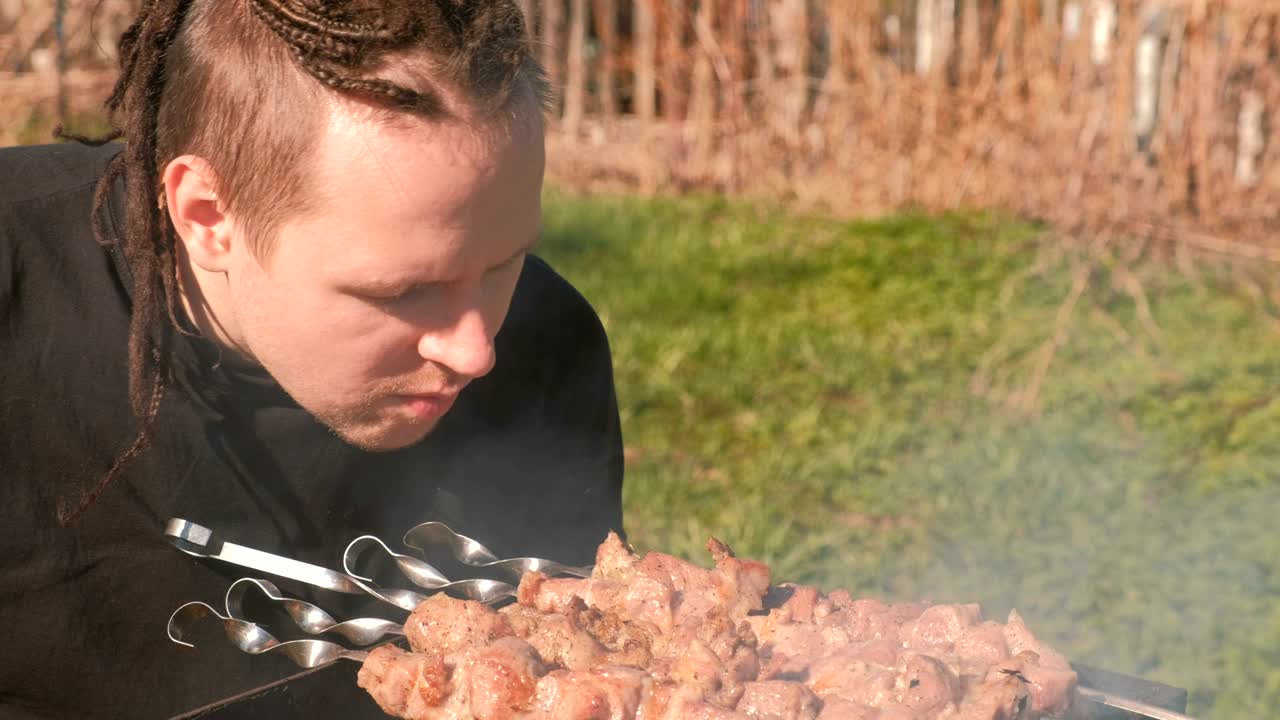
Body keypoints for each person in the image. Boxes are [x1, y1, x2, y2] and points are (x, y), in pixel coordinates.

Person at [0, 1, 625, 717]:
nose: (477, 350)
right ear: (207, 215)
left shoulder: (546, 347)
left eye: (504, 264)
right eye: (407, 290)